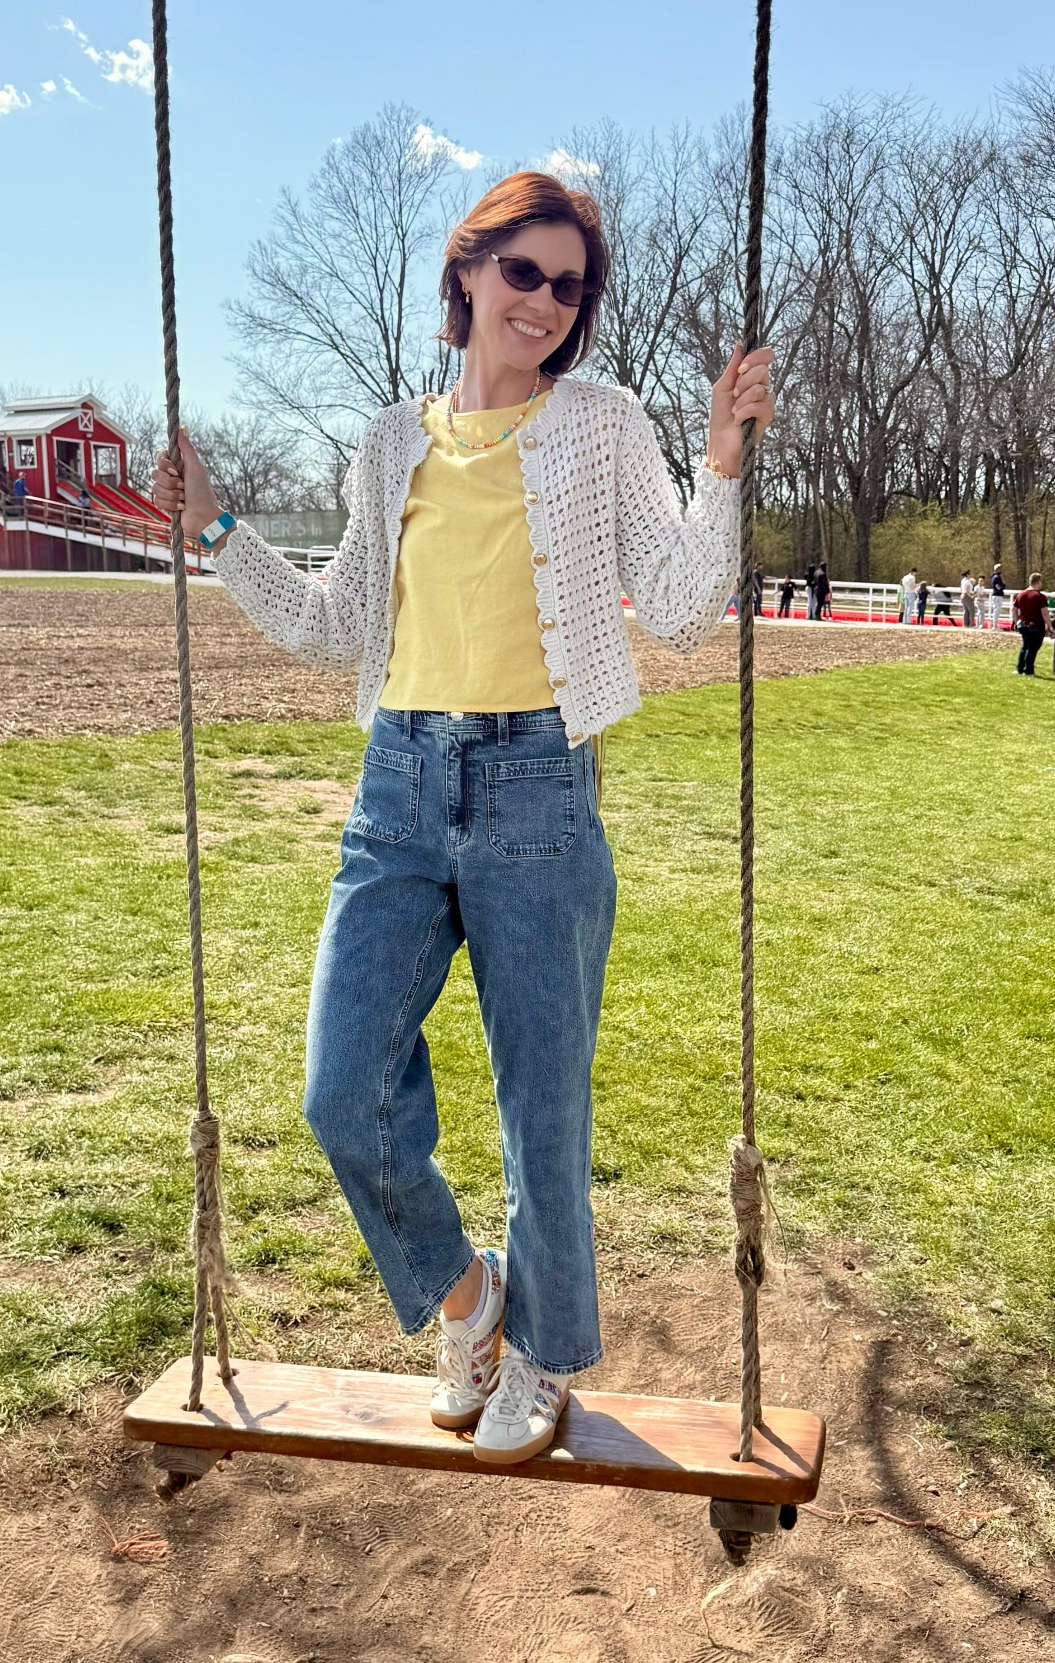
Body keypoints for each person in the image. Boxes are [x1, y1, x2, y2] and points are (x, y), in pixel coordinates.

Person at [153, 171, 775, 1466]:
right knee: (341, 1090)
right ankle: (469, 1299)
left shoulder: (604, 426)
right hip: (397, 787)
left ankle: (541, 1355)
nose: (545, 302)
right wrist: (215, 526)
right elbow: (332, 622)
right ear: (469, 273)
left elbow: (675, 608)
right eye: (523, 272)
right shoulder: (393, 442)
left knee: (542, 1110)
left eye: (570, 286)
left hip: (540, 786)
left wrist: (722, 459)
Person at [1011, 571, 1050, 675]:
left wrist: (1016, 621)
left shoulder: (1020, 595)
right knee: (1033, 648)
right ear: (1038, 582)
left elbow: (1014, 609)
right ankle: (1028, 669)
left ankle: (1019, 668)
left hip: (1023, 624)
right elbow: (1045, 613)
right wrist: (1049, 625)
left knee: (1025, 646)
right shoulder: (1040, 596)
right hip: (1036, 625)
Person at [989, 564, 1007, 628]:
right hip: (997, 595)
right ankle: (994, 625)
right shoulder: (996, 577)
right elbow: (999, 587)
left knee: (997, 610)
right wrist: (1003, 585)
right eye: (1000, 568)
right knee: (996, 610)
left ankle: (995, 624)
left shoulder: (996, 577)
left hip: (998, 595)